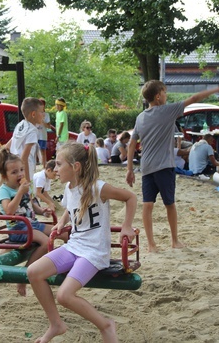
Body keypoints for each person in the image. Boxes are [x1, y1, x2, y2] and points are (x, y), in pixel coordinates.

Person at [27, 142, 136, 343]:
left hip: (93, 252)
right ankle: (56, 324)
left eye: (59, 165)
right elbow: (70, 209)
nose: (55, 169)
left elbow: (130, 197)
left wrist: (126, 226)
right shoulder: (70, 188)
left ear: (75, 166)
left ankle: (105, 325)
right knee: (33, 272)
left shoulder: (98, 187)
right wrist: (61, 222)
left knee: (64, 296)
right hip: (74, 246)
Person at [126, 75, 219, 252]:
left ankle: (151, 244)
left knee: (148, 205)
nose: (166, 96)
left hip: (146, 167)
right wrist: (218, 88)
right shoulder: (167, 111)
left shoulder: (140, 117)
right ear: (158, 96)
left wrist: (129, 169)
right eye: (165, 92)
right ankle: (174, 240)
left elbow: (132, 144)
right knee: (170, 204)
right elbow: (194, 98)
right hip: (164, 166)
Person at [0, 147, 57, 296]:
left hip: (31, 224)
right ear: (5, 176)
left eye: (21, 170)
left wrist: (42, 211)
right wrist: (19, 193)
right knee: (45, 242)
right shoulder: (4, 190)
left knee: (58, 232)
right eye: (14, 172)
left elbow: (31, 206)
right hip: (18, 227)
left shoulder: (24, 187)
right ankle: (24, 275)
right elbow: (9, 210)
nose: (20, 174)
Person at [8, 97, 45, 183]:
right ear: (33, 114)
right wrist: (27, 181)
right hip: (24, 169)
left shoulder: (20, 125)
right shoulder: (32, 131)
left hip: (15, 167)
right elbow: (24, 158)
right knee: (28, 194)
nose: (43, 115)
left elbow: (7, 146)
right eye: (41, 112)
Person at [36, 98, 51, 168]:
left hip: (42, 135)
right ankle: (34, 166)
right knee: (34, 151)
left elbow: (49, 126)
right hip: (35, 135)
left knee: (43, 151)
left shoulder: (46, 115)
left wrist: (42, 121)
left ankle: (44, 166)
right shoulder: (34, 113)